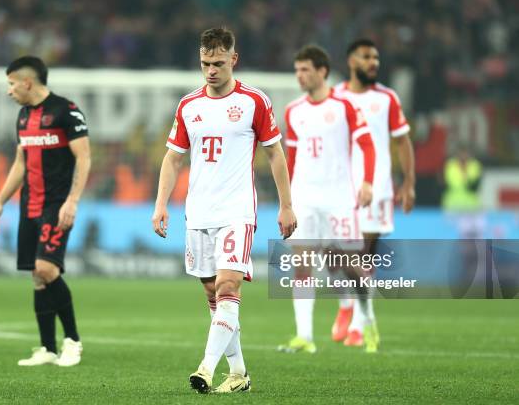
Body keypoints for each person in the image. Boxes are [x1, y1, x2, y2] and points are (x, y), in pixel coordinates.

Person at [151, 27, 297, 394]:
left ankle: (205, 368)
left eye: (218, 63)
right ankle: (239, 374)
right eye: (205, 63)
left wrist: (286, 204)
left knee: (228, 284)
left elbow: (275, 153)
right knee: (213, 297)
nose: (211, 70)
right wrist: (160, 203)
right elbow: (172, 158)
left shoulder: (254, 101)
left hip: (237, 211)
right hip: (198, 212)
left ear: (234, 59)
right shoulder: (189, 106)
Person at [0, 56, 91, 366]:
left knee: (47, 269)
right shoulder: (22, 116)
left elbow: (84, 158)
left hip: (57, 205)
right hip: (28, 205)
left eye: (11, 84)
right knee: (37, 275)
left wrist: (73, 201)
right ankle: (47, 348)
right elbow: (20, 162)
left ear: (27, 82)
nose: (9, 91)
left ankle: (72, 341)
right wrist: (0, 202)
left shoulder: (66, 111)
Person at [277, 45, 376, 355]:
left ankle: (367, 319)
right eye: (297, 71)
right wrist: (287, 200)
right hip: (304, 198)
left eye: (305, 70)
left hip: (337, 198)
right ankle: (304, 336)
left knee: (347, 263)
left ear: (322, 71)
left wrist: (368, 182)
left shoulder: (344, 106)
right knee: (302, 264)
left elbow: (367, 145)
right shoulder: (294, 110)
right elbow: (291, 157)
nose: (300, 76)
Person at [333, 39, 415, 352]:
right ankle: (346, 304)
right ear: (351, 60)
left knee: (365, 255)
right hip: (340, 186)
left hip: (378, 186)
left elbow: (402, 141)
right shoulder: (336, 97)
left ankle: (357, 324)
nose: (373, 62)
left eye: (376, 57)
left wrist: (408, 182)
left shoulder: (387, 98)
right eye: (367, 56)